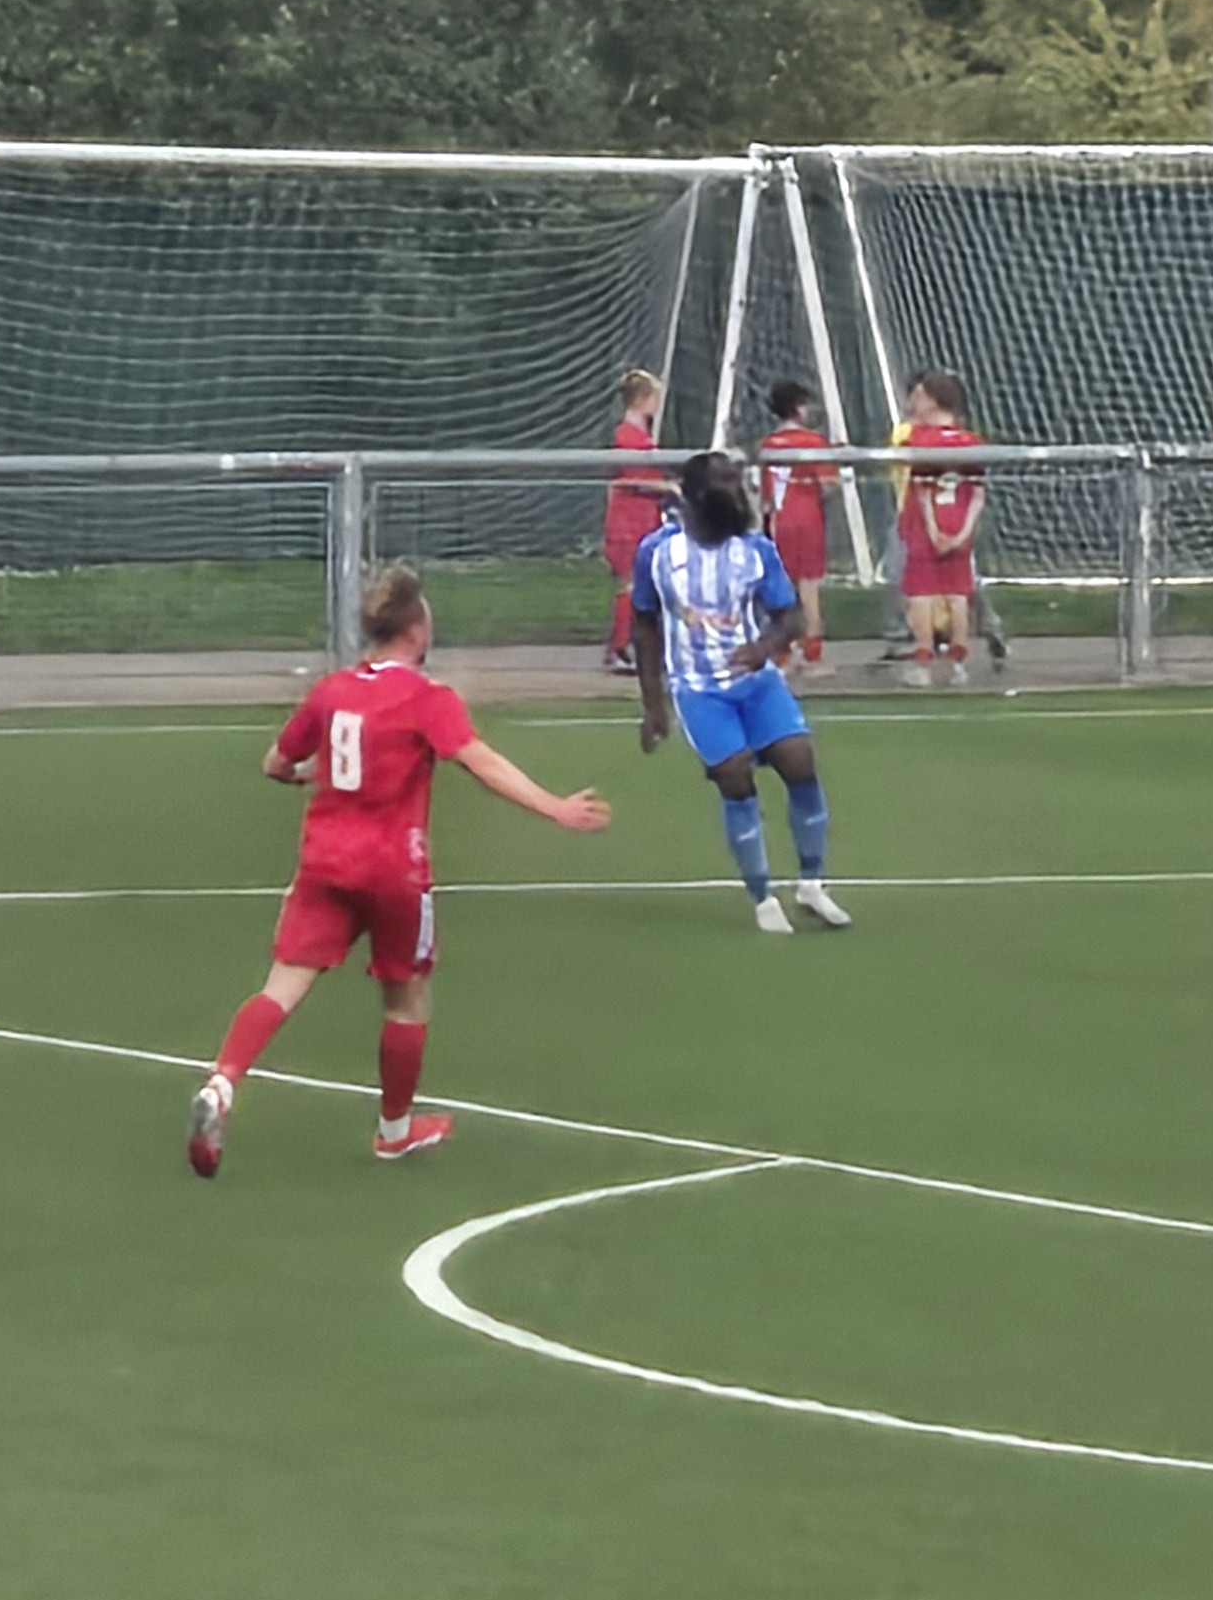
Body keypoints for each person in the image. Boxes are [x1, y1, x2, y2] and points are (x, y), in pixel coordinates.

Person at [188, 563, 612, 1178]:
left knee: (281, 986)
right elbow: (480, 762)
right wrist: (556, 807)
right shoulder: (426, 698)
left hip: (325, 862)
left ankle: (222, 1082)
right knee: (406, 997)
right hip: (394, 872)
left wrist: (308, 775)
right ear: (416, 627)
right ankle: (393, 1131)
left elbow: (275, 763)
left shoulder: (331, 691)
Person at [635, 452, 847, 936]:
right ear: (692, 496)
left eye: (736, 483)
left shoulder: (755, 550)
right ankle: (762, 896)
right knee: (734, 775)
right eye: (723, 485)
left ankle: (812, 883)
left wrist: (765, 647)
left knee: (799, 759)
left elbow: (790, 615)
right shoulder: (658, 553)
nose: (735, 494)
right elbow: (645, 625)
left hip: (757, 683)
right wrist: (653, 705)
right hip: (698, 689)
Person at [895, 370, 984, 688]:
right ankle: (959, 664)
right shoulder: (971, 441)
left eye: (920, 396)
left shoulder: (920, 440)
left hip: (926, 526)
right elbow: (978, 493)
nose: (914, 402)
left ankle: (923, 663)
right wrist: (962, 533)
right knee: (957, 594)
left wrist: (933, 531)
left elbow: (922, 491)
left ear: (933, 400)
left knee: (922, 594)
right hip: (959, 524)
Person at [754, 381, 838, 667]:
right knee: (809, 587)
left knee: (781, 588)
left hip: (777, 521)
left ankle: (783, 653)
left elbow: (765, 496)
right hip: (807, 516)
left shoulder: (767, 445)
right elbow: (828, 484)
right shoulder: (813, 442)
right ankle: (813, 655)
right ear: (798, 408)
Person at [601, 368, 667, 676]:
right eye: (653, 398)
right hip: (629, 520)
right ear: (642, 400)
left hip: (642, 518)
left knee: (641, 584)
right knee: (629, 584)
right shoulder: (627, 436)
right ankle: (621, 647)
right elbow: (636, 480)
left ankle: (628, 645)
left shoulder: (640, 435)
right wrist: (671, 488)